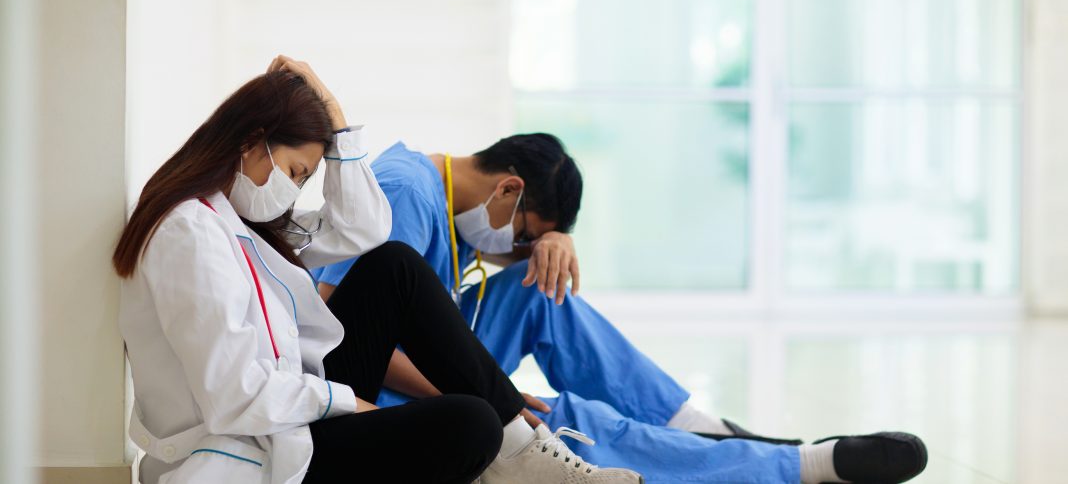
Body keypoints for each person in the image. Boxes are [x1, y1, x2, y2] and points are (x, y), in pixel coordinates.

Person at [113, 57, 643, 484]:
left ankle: (523, 453)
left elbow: (365, 230)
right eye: (295, 172)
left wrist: (337, 122)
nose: (293, 192)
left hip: (291, 423)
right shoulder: (191, 233)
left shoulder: (242, 221)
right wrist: (350, 404)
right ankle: (514, 451)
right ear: (252, 140)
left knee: (396, 267)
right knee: (471, 423)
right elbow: (236, 395)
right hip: (254, 453)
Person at [312, 135, 929, 483]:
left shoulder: (440, 194)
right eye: (524, 233)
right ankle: (800, 465)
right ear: (509, 188)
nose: (515, 248)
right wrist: (494, 395)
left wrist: (550, 244)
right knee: (574, 421)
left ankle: (694, 424)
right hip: (380, 384)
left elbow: (454, 290)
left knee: (536, 286)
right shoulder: (406, 192)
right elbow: (346, 329)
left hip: (426, 355)